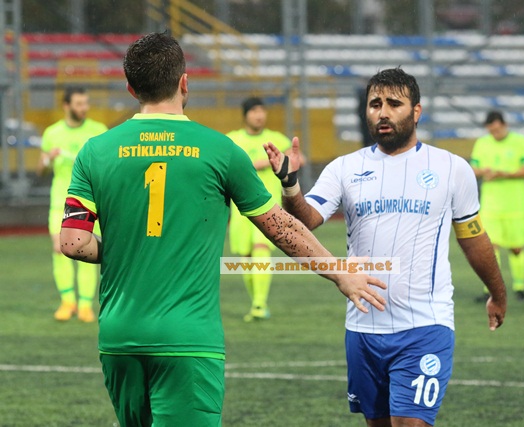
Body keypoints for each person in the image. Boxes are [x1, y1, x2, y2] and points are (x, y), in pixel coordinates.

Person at [59, 32, 386, 426]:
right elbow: (280, 226)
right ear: (184, 83)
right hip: (188, 338)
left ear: (131, 88)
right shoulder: (220, 149)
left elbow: (73, 243)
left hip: (119, 337)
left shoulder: (94, 151)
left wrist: (130, 248)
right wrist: (340, 273)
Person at [265, 67, 507, 427]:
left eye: (394, 103)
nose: (383, 112)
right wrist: (289, 183)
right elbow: (305, 220)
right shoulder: (345, 168)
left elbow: (473, 238)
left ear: (416, 111)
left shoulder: (452, 168)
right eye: (375, 104)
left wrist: (497, 293)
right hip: (363, 328)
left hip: (426, 326)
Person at [37, 86, 108, 322]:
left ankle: (85, 305)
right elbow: (41, 170)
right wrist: (48, 158)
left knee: (86, 249)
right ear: (66, 106)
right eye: (79, 104)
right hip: (60, 201)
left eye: (86, 103)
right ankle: (67, 302)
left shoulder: (98, 131)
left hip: (90, 202)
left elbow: (109, 166)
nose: (84, 108)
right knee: (59, 250)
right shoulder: (52, 133)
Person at [226, 97, 292, 321]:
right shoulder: (232, 140)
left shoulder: (277, 139)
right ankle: (256, 301)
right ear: (245, 114)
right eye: (254, 111)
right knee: (246, 257)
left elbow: (296, 158)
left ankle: (259, 304)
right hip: (240, 208)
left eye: (262, 111)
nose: (259, 115)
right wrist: (259, 164)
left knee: (261, 248)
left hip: (268, 206)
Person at [470, 110, 524, 302]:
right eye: (491, 131)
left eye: (497, 130)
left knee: (516, 248)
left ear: (504, 125)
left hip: (516, 205)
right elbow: (473, 168)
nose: (494, 134)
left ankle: (519, 286)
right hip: (491, 205)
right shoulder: (482, 143)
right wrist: (483, 171)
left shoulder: (520, 142)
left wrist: (504, 174)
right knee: (490, 248)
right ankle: (490, 290)